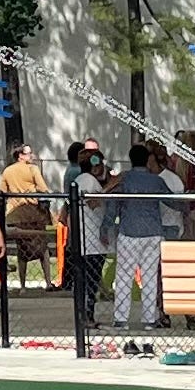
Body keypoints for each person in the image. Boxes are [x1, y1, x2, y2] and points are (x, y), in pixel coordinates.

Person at [110, 139, 175, 348]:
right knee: (150, 276)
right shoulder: (155, 181)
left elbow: (114, 204)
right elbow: (171, 200)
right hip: (153, 233)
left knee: (123, 276)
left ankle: (121, 318)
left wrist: (106, 225)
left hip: (129, 232)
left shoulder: (124, 180)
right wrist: (189, 206)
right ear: (147, 159)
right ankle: (149, 318)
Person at [62, 144, 113, 338]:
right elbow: (93, 203)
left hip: (86, 238)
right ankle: (87, 315)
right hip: (91, 240)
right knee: (91, 281)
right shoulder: (90, 182)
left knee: (87, 280)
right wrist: (110, 187)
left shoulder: (81, 179)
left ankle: (85, 314)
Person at [0, 139, 55, 290]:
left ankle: (22, 285)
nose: (31, 156)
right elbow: (43, 188)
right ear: (20, 156)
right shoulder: (33, 169)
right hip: (33, 212)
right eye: (28, 153)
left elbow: (2, 191)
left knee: (22, 250)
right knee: (43, 248)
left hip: (15, 214)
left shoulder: (7, 171)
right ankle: (48, 282)